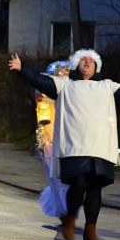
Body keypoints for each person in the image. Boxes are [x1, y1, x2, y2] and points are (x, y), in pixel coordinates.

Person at [9, 49, 120, 240]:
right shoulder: (65, 84)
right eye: (83, 59)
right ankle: (70, 219)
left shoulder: (107, 86)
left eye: (91, 60)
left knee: (95, 188)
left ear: (96, 66)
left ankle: (90, 230)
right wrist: (22, 68)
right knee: (78, 182)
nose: (87, 62)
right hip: (74, 146)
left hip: (100, 147)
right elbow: (41, 81)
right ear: (77, 64)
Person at [35, 59, 74, 224]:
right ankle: (64, 213)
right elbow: (43, 120)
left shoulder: (75, 92)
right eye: (60, 75)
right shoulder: (44, 95)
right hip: (49, 141)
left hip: (70, 141)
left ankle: (68, 210)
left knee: (68, 179)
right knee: (56, 178)